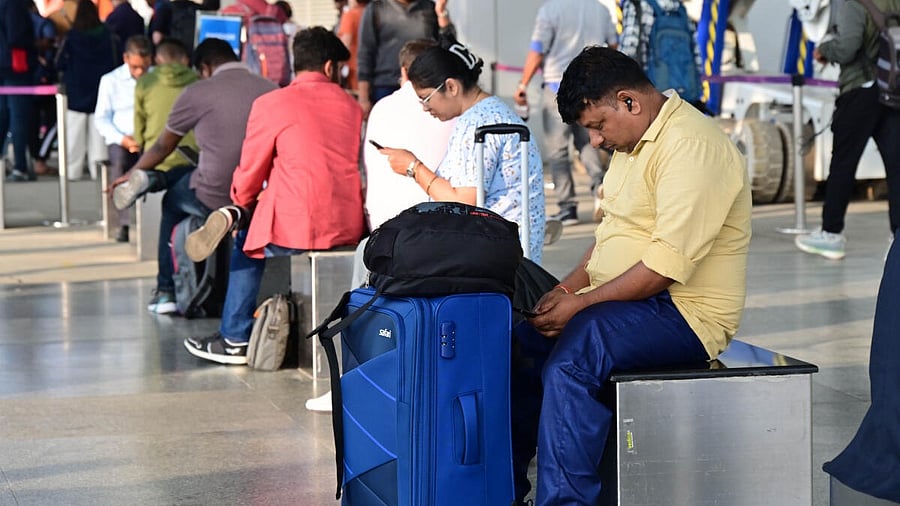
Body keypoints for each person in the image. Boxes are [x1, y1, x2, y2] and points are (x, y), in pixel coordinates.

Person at [509, 46, 751, 505]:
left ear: (629, 102)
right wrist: (564, 290)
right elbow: (609, 236)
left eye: (598, 126)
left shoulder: (692, 145)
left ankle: (565, 501)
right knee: (520, 347)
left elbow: (664, 268)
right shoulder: (633, 141)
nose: (596, 141)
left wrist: (579, 306)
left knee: (577, 355)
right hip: (626, 303)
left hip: (686, 315)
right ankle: (505, 489)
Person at [182, 26, 365, 365]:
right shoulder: (351, 107)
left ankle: (235, 336)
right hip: (347, 223)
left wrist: (241, 200)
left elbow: (252, 167)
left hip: (296, 226)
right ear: (329, 67)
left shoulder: (273, 103)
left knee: (247, 244)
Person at [111, 37, 276, 314]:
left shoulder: (199, 91)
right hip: (260, 194)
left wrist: (133, 171)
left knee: (173, 201)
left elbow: (164, 145)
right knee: (188, 172)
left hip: (214, 192)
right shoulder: (270, 89)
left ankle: (166, 291)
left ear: (205, 67)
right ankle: (158, 182)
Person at [376, 42, 546, 263]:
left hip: (496, 253)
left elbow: (462, 202)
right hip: (511, 247)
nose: (425, 108)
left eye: (426, 98)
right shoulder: (491, 111)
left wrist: (414, 168)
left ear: (452, 87)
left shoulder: (477, 123)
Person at [795, 0, 900, 260]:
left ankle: (831, 234)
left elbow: (847, 46)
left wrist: (824, 49)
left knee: (843, 162)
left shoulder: (852, 2)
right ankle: (897, 237)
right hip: (893, 90)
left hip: (860, 90)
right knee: (897, 166)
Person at [514, 0, 617, 226]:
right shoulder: (600, 9)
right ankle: (599, 187)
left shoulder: (550, 10)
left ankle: (567, 208)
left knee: (558, 149)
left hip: (557, 87)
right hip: (592, 87)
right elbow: (613, 47)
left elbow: (537, 51)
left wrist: (522, 85)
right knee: (588, 141)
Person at [94, 34, 153, 242]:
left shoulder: (155, 78)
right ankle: (124, 222)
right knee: (119, 164)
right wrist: (123, 139)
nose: (139, 73)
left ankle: (151, 218)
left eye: (144, 67)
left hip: (150, 137)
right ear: (126, 58)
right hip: (122, 137)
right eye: (135, 67)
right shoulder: (111, 80)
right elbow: (101, 119)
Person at [55, 0, 120, 181]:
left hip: (76, 93)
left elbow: (59, 63)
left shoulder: (71, 37)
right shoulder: (108, 36)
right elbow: (116, 62)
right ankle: (98, 172)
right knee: (99, 137)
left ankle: (71, 172)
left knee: (73, 138)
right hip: (102, 93)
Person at [130, 36, 199, 206]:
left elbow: (139, 125)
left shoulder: (145, 83)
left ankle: (149, 181)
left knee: (164, 207)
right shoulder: (200, 82)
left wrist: (141, 149)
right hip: (194, 159)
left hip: (156, 159)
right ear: (185, 59)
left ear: (157, 59)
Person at [356, 0, 455, 117]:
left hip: (424, 89)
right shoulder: (376, 8)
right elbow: (365, 53)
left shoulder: (428, 7)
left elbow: (448, 45)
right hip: (385, 87)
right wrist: (363, 98)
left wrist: (441, 12)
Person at [0, 0, 36, 182]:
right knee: (18, 118)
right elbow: (17, 36)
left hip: (5, 67)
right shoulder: (14, 4)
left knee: (4, 116)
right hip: (15, 67)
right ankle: (19, 166)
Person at [28, 1, 58, 177]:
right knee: (54, 121)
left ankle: (35, 158)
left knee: (31, 122)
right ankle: (40, 159)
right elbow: (49, 41)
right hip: (44, 79)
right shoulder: (44, 23)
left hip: (26, 79)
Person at [336, 0, 369, 94]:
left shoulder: (350, 15)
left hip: (355, 72)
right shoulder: (374, 13)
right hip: (375, 72)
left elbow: (344, 46)